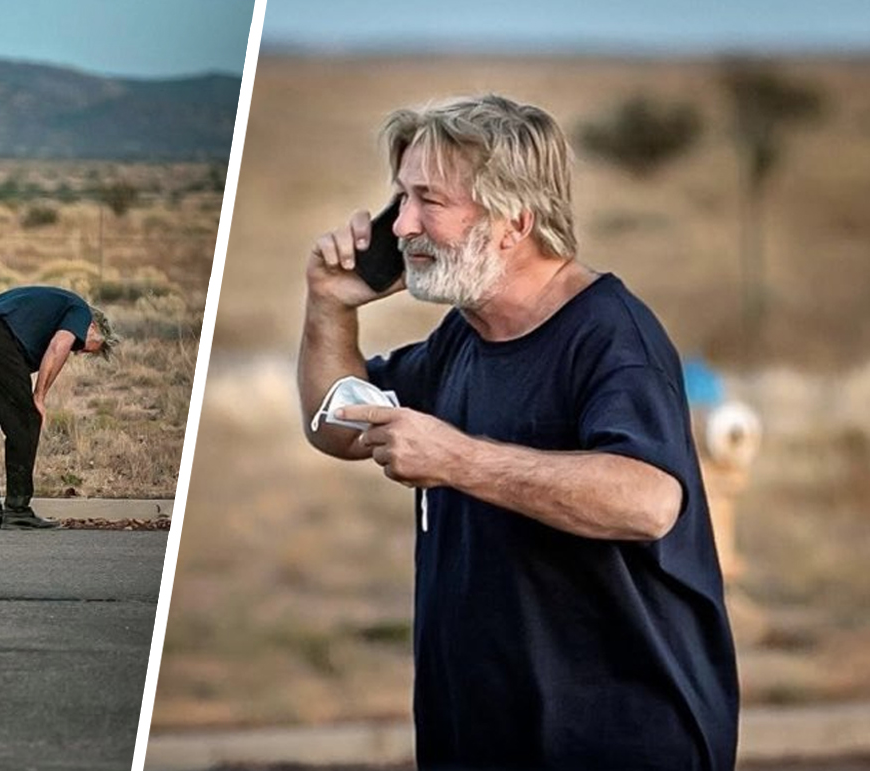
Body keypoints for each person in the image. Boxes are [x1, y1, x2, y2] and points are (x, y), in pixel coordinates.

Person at [299, 94, 738, 770]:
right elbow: (337, 424)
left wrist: (458, 460)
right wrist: (328, 304)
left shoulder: (610, 337)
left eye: (428, 201)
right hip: (480, 734)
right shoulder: (463, 337)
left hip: (614, 740)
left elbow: (649, 500)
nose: (402, 224)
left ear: (514, 221)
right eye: (399, 198)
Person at [0, 285, 117, 530]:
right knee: (27, 420)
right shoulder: (80, 311)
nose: (77, 352)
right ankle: (17, 511)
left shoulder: (50, 308)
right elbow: (59, 346)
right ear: (93, 327)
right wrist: (39, 397)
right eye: (82, 347)